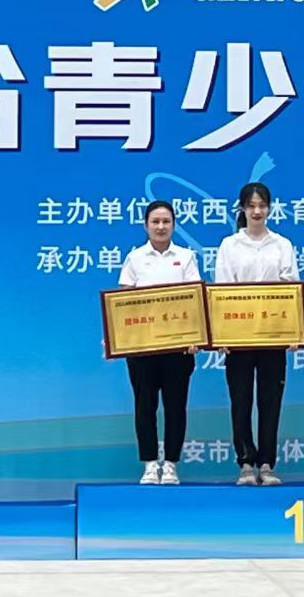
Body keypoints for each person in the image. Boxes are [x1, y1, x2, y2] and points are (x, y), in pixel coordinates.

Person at [215, 181, 300, 487]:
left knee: (270, 400)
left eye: (262, 206)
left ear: (270, 209)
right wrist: (222, 334)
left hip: (273, 335)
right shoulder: (230, 245)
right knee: (240, 400)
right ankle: (245, 463)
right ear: (242, 209)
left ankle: (266, 463)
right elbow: (222, 290)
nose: (257, 211)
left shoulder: (282, 244)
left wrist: (294, 331)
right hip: (239, 335)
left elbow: (291, 288)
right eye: (251, 206)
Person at [117, 200, 201, 485]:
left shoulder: (186, 257)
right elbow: (123, 303)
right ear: (146, 225)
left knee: (176, 406)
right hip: (143, 348)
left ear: (174, 225)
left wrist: (195, 337)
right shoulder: (135, 258)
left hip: (178, 347)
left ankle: (172, 465)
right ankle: (150, 465)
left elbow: (194, 300)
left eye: (166, 221)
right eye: (155, 221)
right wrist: (117, 337)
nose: (161, 226)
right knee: (145, 405)